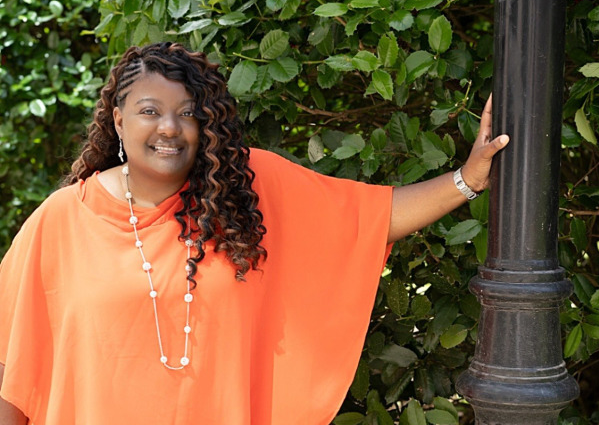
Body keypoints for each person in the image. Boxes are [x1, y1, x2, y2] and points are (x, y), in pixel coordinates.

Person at [0, 42, 509, 425]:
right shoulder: (61, 220)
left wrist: (468, 178)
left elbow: (370, 218)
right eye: (149, 111)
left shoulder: (246, 191)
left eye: (187, 113)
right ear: (117, 119)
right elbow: (12, 369)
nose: (169, 127)